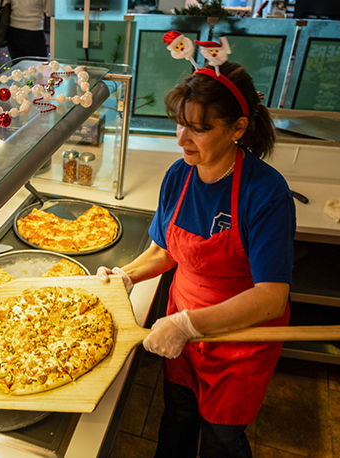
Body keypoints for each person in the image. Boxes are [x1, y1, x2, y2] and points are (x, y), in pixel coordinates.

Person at [97, 61, 296, 457]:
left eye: (199, 128)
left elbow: (271, 297)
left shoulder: (266, 193)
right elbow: (163, 250)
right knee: (179, 413)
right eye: (180, 124)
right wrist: (125, 276)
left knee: (222, 435)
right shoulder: (179, 174)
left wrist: (189, 324)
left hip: (240, 339)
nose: (182, 139)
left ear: (238, 128)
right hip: (181, 326)